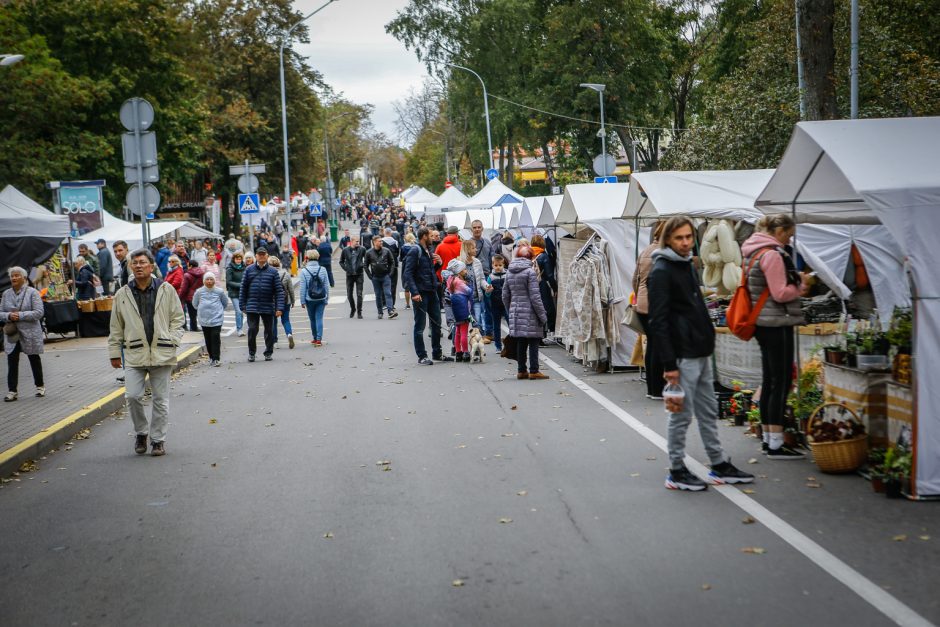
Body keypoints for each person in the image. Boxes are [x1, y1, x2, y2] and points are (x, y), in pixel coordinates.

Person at [647, 216, 754, 491]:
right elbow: (657, 322)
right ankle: (676, 470)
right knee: (680, 416)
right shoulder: (661, 271)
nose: (685, 242)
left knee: (708, 412)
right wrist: (669, 364)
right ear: (667, 239)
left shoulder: (686, 266)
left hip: (700, 350)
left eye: (687, 237)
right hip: (682, 356)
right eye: (679, 238)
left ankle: (718, 464)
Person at [741, 213, 809, 459]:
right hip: (776, 322)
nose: (789, 240)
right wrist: (800, 286)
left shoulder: (752, 251)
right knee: (779, 381)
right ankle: (776, 444)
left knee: (770, 379)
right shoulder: (772, 254)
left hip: (763, 322)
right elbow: (780, 293)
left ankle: (771, 439)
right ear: (779, 231)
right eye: (789, 235)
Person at [108, 248, 184, 456]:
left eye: (142, 262)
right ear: (131, 266)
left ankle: (158, 440)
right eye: (135, 263)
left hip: (162, 352)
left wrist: (173, 339)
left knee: (161, 399)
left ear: (151, 266)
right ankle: (141, 432)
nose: (138, 266)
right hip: (134, 353)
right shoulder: (122, 294)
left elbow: (178, 318)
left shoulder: (166, 289)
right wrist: (114, 352)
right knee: (132, 396)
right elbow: (116, 326)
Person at [402, 227, 452, 365]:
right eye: (430, 235)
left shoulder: (427, 251)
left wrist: (439, 264)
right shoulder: (415, 251)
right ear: (424, 236)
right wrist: (415, 292)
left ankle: (437, 353)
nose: (433, 238)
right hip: (421, 293)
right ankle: (422, 356)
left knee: (436, 323)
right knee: (420, 326)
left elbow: (428, 272)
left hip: (431, 291)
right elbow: (408, 273)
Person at [630, 221, 666, 400]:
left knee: (652, 345)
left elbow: (635, 279)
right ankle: (658, 388)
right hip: (655, 304)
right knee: (658, 345)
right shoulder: (663, 253)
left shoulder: (645, 251)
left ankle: (652, 388)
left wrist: (639, 297)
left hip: (644, 303)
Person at [503, 246, 549, 380]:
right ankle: (534, 370)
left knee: (521, 341)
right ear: (531, 257)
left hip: (516, 311)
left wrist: (510, 309)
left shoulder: (509, 272)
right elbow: (535, 297)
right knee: (534, 340)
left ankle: (521, 370)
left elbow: (505, 295)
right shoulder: (530, 272)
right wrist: (542, 315)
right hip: (530, 311)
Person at [2, 267, 45, 401]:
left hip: (30, 332)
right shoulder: (6, 294)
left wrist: (19, 315)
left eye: (16, 276)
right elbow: (0, 312)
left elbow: (39, 312)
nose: (13, 278)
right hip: (13, 333)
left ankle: (40, 386)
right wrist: (9, 315)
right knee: (12, 361)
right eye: (12, 276)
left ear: (24, 278)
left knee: (34, 358)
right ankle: (12, 391)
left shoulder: (33, 293)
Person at [239, 246, 284, 362]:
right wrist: (242, 305)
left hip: (268, 305)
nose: (262, 256)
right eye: (259, 254)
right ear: (256, 256)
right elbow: (243, 288)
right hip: (252, 305)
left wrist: (279, 307)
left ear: (267, 256)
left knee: (269, 330)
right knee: (252, 329)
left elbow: (279, 291)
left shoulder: (273, 272)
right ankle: (252, 353)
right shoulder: (249, 270)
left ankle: (268, 352)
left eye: (264, 254)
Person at [193, 272, 229, 366]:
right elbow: (195, 304)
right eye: (207, 279)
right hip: (204, 319)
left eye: (211, 279)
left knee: (215, 337)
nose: (209, 281)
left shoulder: (219, 291)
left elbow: (225, 303)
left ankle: (216, 358)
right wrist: (202, 310)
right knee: (208, 339)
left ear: (214, 280)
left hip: (217, 319)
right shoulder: (199, 292)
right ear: (204, 281)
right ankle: (211, 357)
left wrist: (218, 311)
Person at [299, 249, 330, 346]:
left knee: (312, 319)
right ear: (318, 257)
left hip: (310, 299)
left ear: (307, 258)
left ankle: (314, 337)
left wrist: (302, 301)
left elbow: (303, 287)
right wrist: (326, 298)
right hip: (321, 298)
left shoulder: (304, 271)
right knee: (319, 318)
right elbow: (326, 285)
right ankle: (319, 339)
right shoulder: (323, 269)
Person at [446, 260, 473, 362]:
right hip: (462, 307)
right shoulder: (459, 282)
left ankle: (458, 352)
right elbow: (469, 291)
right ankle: (465, 352)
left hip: (455, 307)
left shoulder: (450, 280)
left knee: (457, 331)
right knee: (464, 332)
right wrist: (469, 283)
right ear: (459, 271)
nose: (466, 271)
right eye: (464, 269)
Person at [364, 236, 397, 319]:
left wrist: (390, 274)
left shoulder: (386, 251)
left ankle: (390, 311)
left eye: (381, 241)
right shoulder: (369, 252)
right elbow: (365, 265)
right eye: (379, 241)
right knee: (378, 295)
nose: (381, 243)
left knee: (388, 293)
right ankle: (380, 312)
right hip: (375, 277)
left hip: (386, 276)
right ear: (374, 242)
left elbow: (392, 262)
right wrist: (370, 276)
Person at [530, 234, 557, 337]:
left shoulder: (528, 254)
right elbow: (550, 275)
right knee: (545, 309)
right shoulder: (543, 256)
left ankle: (536, 334)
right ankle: (542, 334)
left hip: (530, 285)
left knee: (534, 310)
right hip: (542, 285)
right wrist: (555, 288)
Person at [268, 256, 295, 349]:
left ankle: (275, 342)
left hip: (272, 301)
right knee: (286, 320)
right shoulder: (285, 274)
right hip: (285, 300)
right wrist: (293, 301)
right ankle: (289, 334)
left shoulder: (268, 274)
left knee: (273, 322)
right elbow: (290, 289)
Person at [339, 236, 366, 318]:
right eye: (356, 241)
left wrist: (362, 265)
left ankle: (359, 312)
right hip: (350, 275)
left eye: (358, 241)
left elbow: (366, 259)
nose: (358, 243)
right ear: (352, 241)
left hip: (359, 274)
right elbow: (341, 262)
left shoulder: (362, 249)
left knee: (359, 294)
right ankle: (353, 308)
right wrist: (346, 269)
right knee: (349, 294)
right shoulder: (345, 250)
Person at [487, 254, 508, 352]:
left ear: (503, 265)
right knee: (496, 325)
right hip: (495, 304)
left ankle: (512, 343)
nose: (498, 267)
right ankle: (498, 346)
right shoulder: (490, 277)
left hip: (506, 304)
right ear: (492, 265)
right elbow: (487, 293)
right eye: (496, 265)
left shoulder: (507, 274)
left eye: (500, 265)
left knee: (510, 323)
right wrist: (488, 291)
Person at [179, 259, 205, 332]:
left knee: (191, 314)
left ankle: (193, 327)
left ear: (190, 266)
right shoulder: (202, 273)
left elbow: (184, 288)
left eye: (188, 266)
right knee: (197, 313)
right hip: (200, 295)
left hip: (190, 297)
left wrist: (179, 297)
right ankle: (195, 327)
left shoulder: (187, 275)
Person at [226, 251, 247, 336]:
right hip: (234, 293)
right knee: (238, 311)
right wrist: (240, 285)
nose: (238, 260)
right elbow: (229, 281)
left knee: (243, 311)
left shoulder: (244, 268)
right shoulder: (230, 269)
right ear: (233, 259)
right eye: (236, 259)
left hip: (243, 293)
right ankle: (239, 330)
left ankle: (241, 327)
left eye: (239, 259)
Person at [382, 228, 401, 309]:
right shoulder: (395, 242)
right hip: (393, 265)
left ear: (384, 233)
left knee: (383, 284)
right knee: (393, 285)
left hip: (384, 265)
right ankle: (392, 304)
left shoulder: (381, 241)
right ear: (390, 233)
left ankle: (384, 303)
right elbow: (397, 253)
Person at [400, 232, 418, 309]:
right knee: (416, 285)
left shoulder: (404, 247)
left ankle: (408, 304)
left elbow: (401, 259)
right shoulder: (417, 247)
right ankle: (416, 303)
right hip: (416, 267)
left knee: (407, 288)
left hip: (406, 267)